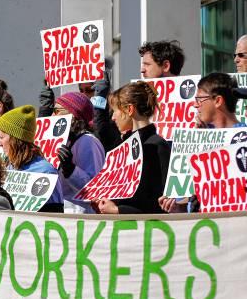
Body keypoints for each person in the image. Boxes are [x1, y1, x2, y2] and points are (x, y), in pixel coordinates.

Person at [159, 72, 247, 213]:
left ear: (218, 101)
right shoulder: (196, 141)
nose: (195, 105)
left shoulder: (243, 137)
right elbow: (188, 197)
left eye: (199, 99)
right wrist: (178, 206)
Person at [92, 82, 169, 214]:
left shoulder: (156, 145)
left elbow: (159, 202)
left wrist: (118, 210)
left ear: (129, 110)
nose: (113, 117)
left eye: (115, 110)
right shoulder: (123, 145)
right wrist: (104, 202)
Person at [0, 105, 64, 212]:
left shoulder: (46, 172)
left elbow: (55, 214)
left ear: (15, 139)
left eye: (1, 137)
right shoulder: (7, 166)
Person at [53, 92, 106, 213]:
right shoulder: (64, 141)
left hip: (80, 217)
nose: (52, 115)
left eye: (56, 111)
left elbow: (94, 189)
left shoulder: (88, 142)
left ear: (73, 115)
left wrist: (71, 170)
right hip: (61, 213)